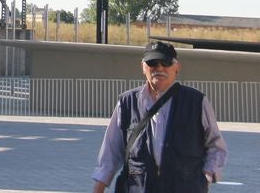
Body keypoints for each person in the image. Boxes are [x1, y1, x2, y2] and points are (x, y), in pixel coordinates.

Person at [91, 41, 227, 192]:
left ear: (177, 67)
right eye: (153, 63)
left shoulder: (197, 102)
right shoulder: (127, 103)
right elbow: (111, 152)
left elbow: (216, 146)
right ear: (143, 67)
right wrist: (99, 188)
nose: (159, 68)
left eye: (166, 62)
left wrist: (206, 177)